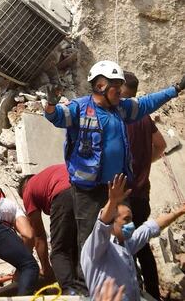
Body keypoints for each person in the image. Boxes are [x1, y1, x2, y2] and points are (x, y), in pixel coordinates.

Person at [44, 58, 184, 251]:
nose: (120, 92)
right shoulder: (80, 108)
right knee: (90, 242)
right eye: (116, 87)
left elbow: (147, 103)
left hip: (117, 188)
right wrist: (51, 103)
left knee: (125, 236)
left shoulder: (121, 108)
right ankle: (91, 280)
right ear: (101, 86)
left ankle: (127, 270)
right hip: (88, 192)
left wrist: (175, 89)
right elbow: (56, 116)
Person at [81, 173, 185, 301]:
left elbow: (151, 227)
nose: (131, 224)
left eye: (131, 219)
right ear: (112, 221)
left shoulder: (125, 243)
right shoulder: (97, 248)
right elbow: (102, 224)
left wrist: (179, 211)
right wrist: (112, 202)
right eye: (126, 220)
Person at [120, 72, 167, 299]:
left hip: (123, 198)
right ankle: (153, 293)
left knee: (120, 248)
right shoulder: (144, 117)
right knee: (142, 247)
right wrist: (145, 162)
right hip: (142, 195)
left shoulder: (119, 118)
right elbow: (161, 144)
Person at [20, 163, 77, 291]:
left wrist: (46, 269)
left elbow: (38, 235)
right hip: (87, 189)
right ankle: (84, 286)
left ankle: (69, 292)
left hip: (64, 194)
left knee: (59, 251)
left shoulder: (28, 189)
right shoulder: (50, 175)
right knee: (80, 245)